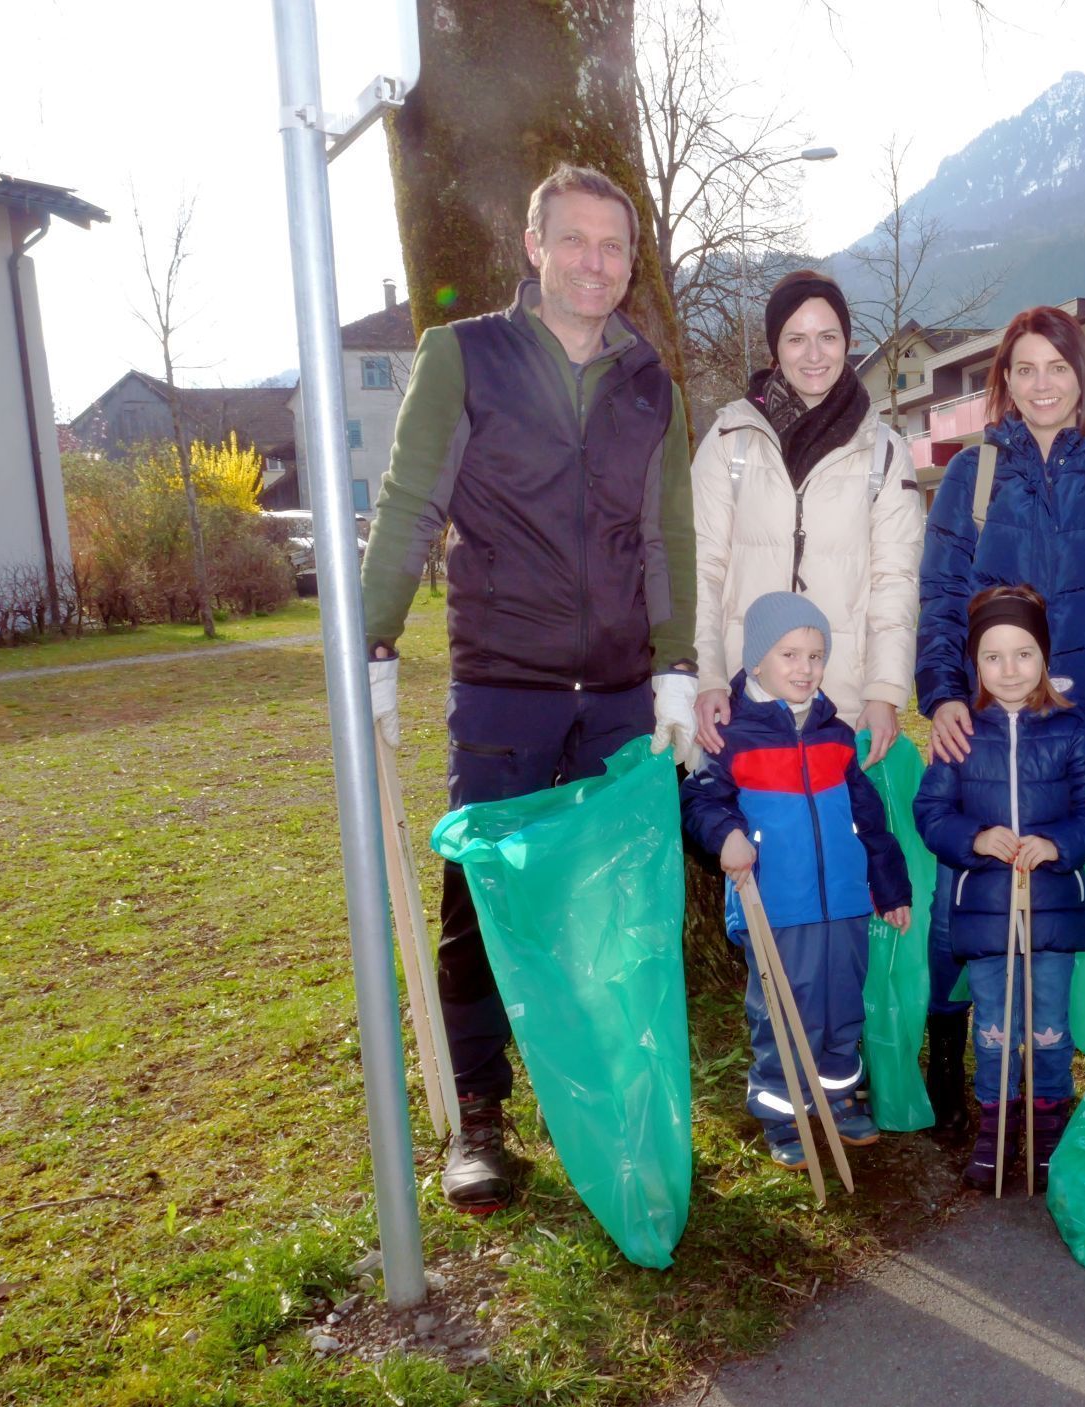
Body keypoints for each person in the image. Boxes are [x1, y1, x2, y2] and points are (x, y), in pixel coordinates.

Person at [359, 164, 697, 1214]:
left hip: (617, 697)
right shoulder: (463, 358)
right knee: (482, 900)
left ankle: (597, 1102)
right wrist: (371, 640)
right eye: (576, 241)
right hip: (504, 684)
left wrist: (677, 663)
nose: (595, 263)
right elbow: (411, 501)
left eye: (614, 246)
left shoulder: (652, 384)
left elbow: (665, 534)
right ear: (534, 247)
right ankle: (479, 1116)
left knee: (603, 909)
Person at [916, 306, 1085, 1143]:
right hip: (983, 727)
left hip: (1077, 732)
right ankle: (962, 1069)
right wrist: (944, 692)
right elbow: (942, 594)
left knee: (1062, 900)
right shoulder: (973, 476)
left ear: (1080, 374)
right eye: (1024, 368)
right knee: (969, 904)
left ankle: (1051, 1081)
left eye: (1056, 366)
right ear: (1005, 381)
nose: (1041, 383)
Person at [679, 592, 913, 1168]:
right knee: (785, 1011)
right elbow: (700, 799)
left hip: (845, 903)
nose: (804, 669)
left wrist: (890, 886)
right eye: (789, 655)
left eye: (815, 655)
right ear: (756, 660)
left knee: (842, 1004)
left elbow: (869, 816)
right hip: (777, 906)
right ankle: (783, 1113)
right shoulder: (732, 734)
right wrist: (726, 835)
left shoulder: (835, 734)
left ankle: (837, 1097)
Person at [913, 585, 1085, 1191]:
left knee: (1048, 1024)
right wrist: (975, 839)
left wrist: (1056, 844)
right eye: (993, 656)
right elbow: (931, 812)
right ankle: (995, 1124)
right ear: (975, 665)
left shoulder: (1070, 731)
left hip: (1053, 911)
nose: (1009, 670)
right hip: (983, 915)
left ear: (1045, 659)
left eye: (1023, 654)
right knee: (996, 1025)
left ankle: (1051, 1121)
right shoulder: (959, 735)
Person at [691, 270, 924, 769]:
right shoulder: (730, 440)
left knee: (835, 840)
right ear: (776, 347)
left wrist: (883, 691)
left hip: (840, 704)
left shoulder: (884, 453)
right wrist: (708, 676)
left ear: (847, 341)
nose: (814, 354)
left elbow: (894, 583)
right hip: (742, 698)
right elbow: (700, 570)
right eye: (796, 338)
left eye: (828, 337)